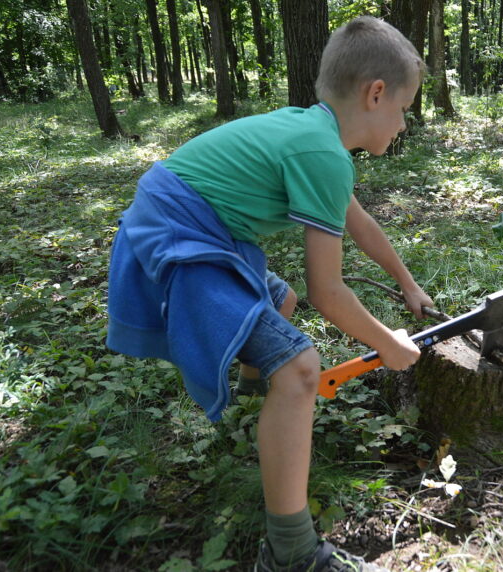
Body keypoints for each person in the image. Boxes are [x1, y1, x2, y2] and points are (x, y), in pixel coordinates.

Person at [105, 16, 433, 572]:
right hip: (178, 235)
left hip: (195, 226)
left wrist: (408, 284)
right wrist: (390, 346)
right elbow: (328, 294)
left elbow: (361, 225)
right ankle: (291, 553)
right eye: (404, 108)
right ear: (375, 94)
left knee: (278, 301)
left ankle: (261, 414)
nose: (403, 123)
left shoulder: (314, 135)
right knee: (302, 368)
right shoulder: (321, 154)